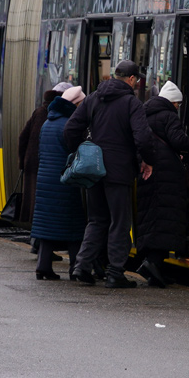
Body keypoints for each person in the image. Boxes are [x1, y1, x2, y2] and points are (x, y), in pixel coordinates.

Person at [63, 58, 156, 289]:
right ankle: (115, 272)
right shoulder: (131, 103)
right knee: (120, 222)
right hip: (119, 171)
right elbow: (143, 138)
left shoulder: (94, 97)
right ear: (132, 79)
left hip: (94, 170)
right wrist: (147, 161)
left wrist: (81, 151)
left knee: (97, 220)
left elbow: (70, 129)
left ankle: (82, 266)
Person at [134, 81, 189, 287]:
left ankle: (156, 269)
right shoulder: (168, 116)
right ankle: (152, 263)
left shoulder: (144, 115)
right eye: (178, 104)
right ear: (172, 102)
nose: (178, 108)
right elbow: (179, 141)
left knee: (155, 219)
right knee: (166, 220)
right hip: (166, 177)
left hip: (150, 173)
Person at [30, 86, 88, 279]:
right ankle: (75, 267)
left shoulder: (48, 123)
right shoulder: (69, 125)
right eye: (81, 104)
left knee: (47, 227)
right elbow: (76, 152)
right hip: (65, 182)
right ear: (75, 104)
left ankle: (43, 266)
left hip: (45, 181)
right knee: (74, 226)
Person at [21, 81, 72, 247]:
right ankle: (39, 245)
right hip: (45, 165)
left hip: (33, 164)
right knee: (43, 208)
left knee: (38, 207)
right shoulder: (58, 114)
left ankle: (38, 245)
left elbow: (23, 137)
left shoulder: (39, 111)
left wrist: (23, 162)